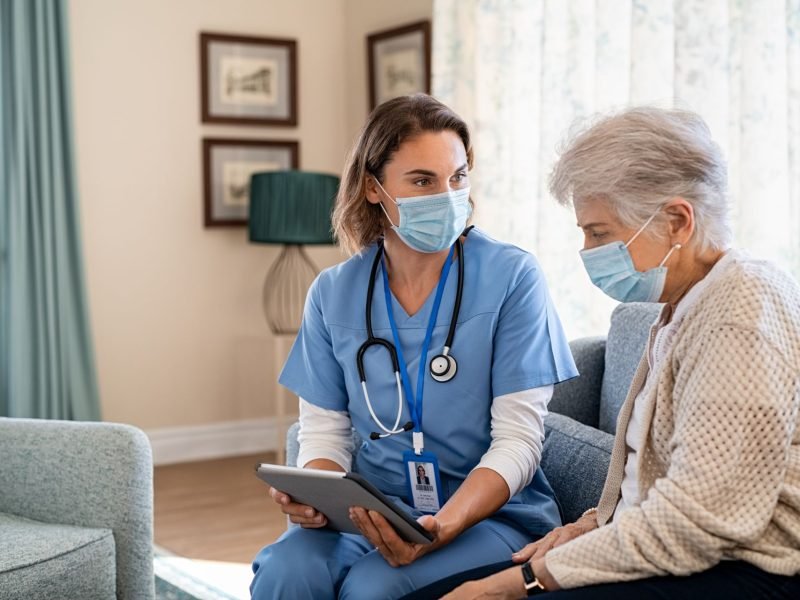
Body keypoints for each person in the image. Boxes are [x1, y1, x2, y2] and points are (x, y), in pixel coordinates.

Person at [444, 107, 800, 599]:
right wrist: (592, 526)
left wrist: (523, 581)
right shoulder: (682, 305)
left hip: (741, 571)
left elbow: (696, 525)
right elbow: (651, 482)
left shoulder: (739, 315)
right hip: (675, 553)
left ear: (677, 220)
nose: (587, 251)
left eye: (599, 233)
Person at [249, 93, 578, 600]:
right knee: (286, 573)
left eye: (458, 177)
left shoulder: (512, 277)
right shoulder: (334, 293)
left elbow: (518, 441)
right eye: (423, 180)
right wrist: (315, 495)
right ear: (374, 188)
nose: (448, 196)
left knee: (373, 589)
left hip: (486, 517)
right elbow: (324, 434)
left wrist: (439, 528)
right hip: (372, 511)